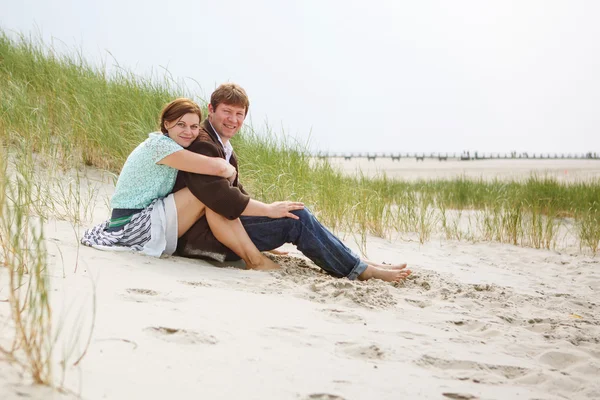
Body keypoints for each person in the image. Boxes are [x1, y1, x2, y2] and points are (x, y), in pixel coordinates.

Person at [173, 84, 411, 282]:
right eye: (227, 111)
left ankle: (356, 260)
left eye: (239, 114)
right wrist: (267, 211)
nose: (233, 120)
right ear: (211, 110)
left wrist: (266, 217)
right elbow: (222, 198)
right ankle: (360, 270)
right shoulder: (204, 143)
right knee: (297, 219)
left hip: (222, 228)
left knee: (293, 213)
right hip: (204, 239)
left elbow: (237, 191)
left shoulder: (221, 144)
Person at [81, 98, 279, 270]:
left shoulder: (172, 145)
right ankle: (254, 259)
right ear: (167, 124)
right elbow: (217, 168)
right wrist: (229, 169)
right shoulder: (160, 146)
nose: (189, 132)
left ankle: (250, 249)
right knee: (205, 195)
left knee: (209, 193)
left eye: (194, 127)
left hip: (143, 218)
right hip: (132, 224)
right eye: (181, 125)